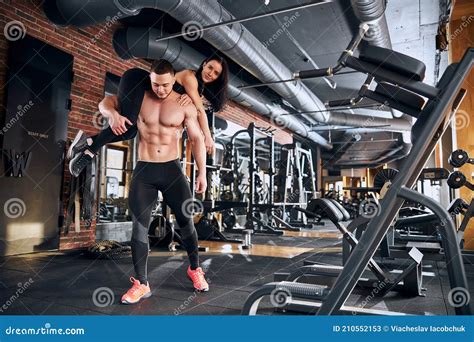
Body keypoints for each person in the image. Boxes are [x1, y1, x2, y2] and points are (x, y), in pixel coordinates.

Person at [108, 59, 209, 304]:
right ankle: (142, 283)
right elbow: (107, 102)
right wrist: (111, 114)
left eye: (165, 85)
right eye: (155, 84)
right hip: (144, 170)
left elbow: (196, 139)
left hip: (172, 170)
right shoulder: (138, 97)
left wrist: (202, 173)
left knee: (186, 222)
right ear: (150, 80)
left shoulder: (184, 104)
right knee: (139, 226)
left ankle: (195, 269)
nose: (160, 90)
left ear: (174, 81)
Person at [68, 56, 229, 177]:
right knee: (129, 123)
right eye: (210, 67)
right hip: (135, 79)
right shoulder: (190, 77)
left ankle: (87, 141)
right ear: (204, 64)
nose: (211, 74)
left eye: (216, 73)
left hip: (139, 89)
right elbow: (200, 110)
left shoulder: (196, 89)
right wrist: (208, 136)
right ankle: (89, 152)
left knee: (130, 132)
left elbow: (196, 108)